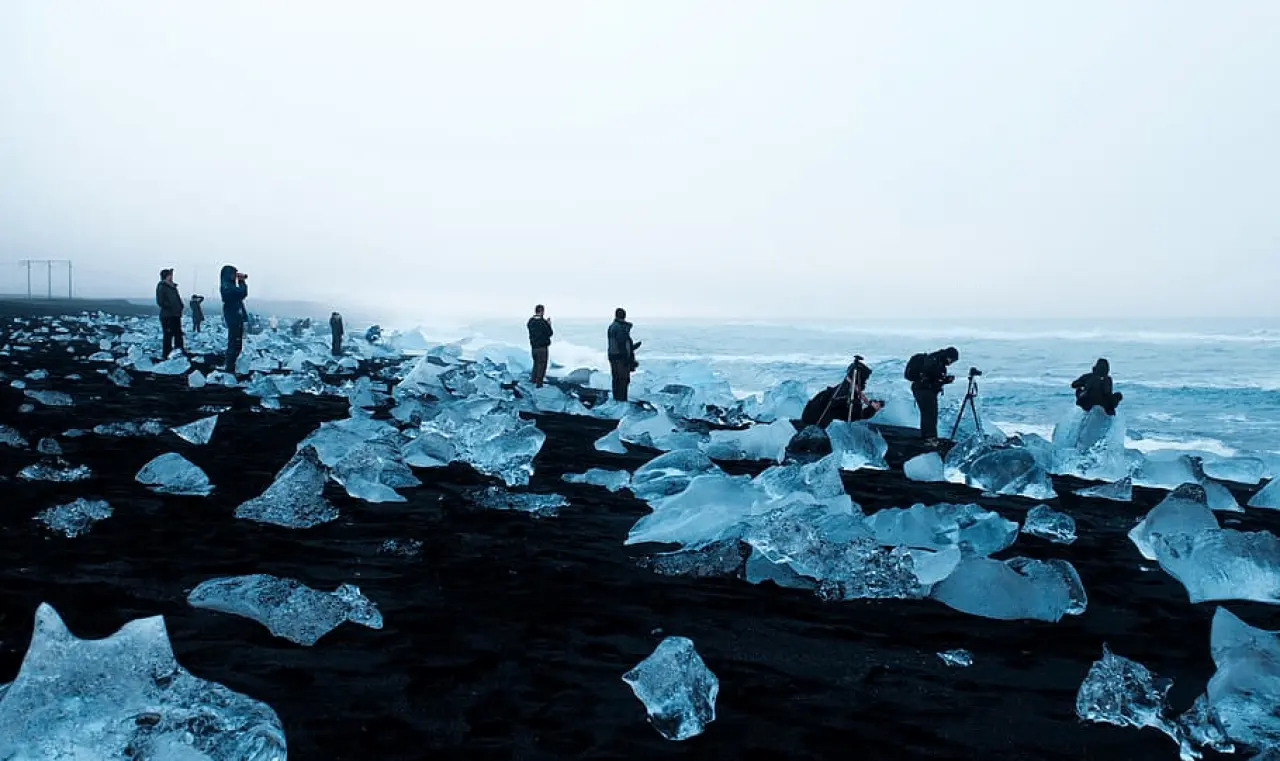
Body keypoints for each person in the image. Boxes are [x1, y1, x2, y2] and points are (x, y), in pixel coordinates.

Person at [801, 356, 885, 427]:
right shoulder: (848, 393)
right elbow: (854, 416)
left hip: (807, 419)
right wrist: (872, 409)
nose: (865, 382)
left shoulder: (839, 388)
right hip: (816, 426)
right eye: (865, 379)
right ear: (859, 379)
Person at [906, 346, 959, 445]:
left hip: (922, 389)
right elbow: (930, 378)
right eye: (952, 360)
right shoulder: (935, 361)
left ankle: (929, 437)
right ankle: (929, 438)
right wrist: (943, 380)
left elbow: (933, 378)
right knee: (929, 414)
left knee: (928, 413)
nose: (951, 363)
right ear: (948, 356)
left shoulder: (936, 359)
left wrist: (943, 380)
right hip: (924, 390)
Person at [607, 307, 641, 402]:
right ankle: (622, 401)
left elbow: (617, 345)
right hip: (620, 359)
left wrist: (632, 347)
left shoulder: (612, 326)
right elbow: (622, 345)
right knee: (623, 380)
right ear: (624, 316)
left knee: (616, 379)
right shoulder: (620, 328)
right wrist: (628, 359)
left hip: (613, 357)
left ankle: (617, 400)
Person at [219, 265, 249, 372]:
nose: (235, 276)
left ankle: (233, 365)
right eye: (233, 274)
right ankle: (230, 367)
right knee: (234, 342)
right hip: (233, 316)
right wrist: (241, 282)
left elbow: (240, 297)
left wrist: (244, 317)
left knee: (237, 343)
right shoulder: (226, 286)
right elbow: (242, 293)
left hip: (236, 315)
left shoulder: (230, 285)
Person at [155, 268, 185, 359]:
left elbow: (176, 299)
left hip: (175, 315)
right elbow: (160, 301)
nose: (172, 276)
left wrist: (180, 306)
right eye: (170, 275)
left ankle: (179, 351)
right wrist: (171, 306)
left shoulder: (173, 287)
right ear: (166, 276)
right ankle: (166, 354)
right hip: (167, 315)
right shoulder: (162, 286)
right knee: (168, 335)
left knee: (178, 334)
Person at [527, 304, 553, 387]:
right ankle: (539, 384)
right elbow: (550, 333)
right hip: (542, 348)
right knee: (542, 366)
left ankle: (533, 380)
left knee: (536, 364)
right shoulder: (543, 322)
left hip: (534, 347)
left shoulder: (530, 321)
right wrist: (548, 324)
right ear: (542, 311)